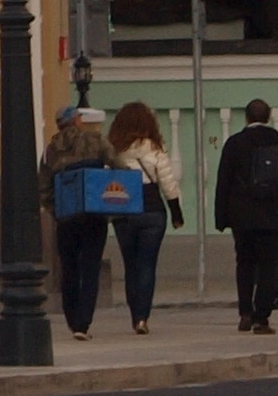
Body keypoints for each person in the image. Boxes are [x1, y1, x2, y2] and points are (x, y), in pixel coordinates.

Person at [214, 97, 278, 334]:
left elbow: (223, 182)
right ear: (268, 118)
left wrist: (222, 217)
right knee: (269, 267)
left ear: (247, 117)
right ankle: (262, 318)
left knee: (245, 263)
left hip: (242, 217)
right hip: (273, 216)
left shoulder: (234, 144)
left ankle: (245, 314)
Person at [107, 102, 182, 335]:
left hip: (124, 211)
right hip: (152, 210)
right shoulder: (155, 149)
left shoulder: (114, 150)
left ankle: (135, 314)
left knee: (131, 265)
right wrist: (176, 214)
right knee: (147, 265)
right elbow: (169, 184)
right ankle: (143, 318)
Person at [45, 105, 115, 338]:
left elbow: (43, 187)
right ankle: (83, 323)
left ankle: (72, 318)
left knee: (69, 269)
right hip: (94, 214)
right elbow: (118, 166)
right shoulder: (95, 140)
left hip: (66, 216)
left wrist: (56, 209)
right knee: (90, 267)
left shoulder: (51, 150)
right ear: (77, 121)